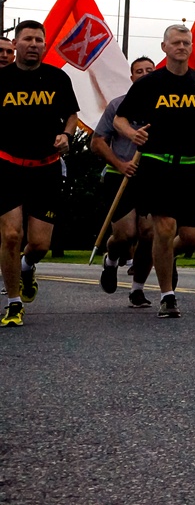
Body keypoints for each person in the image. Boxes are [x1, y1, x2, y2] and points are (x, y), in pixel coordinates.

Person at [114, 24, 195, 319]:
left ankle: (162, 256)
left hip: (194, 166)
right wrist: (132, 134)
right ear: (164, 47)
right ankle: (168, 295)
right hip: (158, 164)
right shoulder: (149, 84)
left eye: (186, 43)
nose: (182, 47)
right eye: (176, 42)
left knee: (192, 237)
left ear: (191, 48)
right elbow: (119, 119)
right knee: (164, 228)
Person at [0, 20, 80, 327]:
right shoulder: (2, 79)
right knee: (10, 235)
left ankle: (27, 266)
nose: (34, 44)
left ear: (44, 46)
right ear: (16, 43)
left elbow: (71, 115)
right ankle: (13, 302)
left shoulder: (57, 78)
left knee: (39, 244)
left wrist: (67, 135)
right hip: (6, 166)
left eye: (39, 40)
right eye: (28, 39)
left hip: (45, 169)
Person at [92, 56, 156, 304]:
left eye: (149, 70)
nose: (144, 74)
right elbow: (96, 143)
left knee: (149, 234)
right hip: (119, 176)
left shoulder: (163, 107)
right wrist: (120, 164)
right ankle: (111, 260)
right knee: (126, 234)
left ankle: (137, 288)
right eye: (139, 71)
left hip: (151, 177)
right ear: (131, 78)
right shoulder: (118, 106)